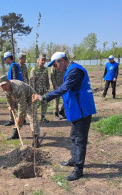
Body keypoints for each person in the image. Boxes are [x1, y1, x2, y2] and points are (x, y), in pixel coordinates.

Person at [32, 52, 96, 181]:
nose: (55, 68)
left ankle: (78, 169)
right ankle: (74, 159)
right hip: (76, 110)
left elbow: (64, 88)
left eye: (55, 64)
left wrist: (43, 97)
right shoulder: (71, 69)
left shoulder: (75, 71)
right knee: (74, 136)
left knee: (79, 140)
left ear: (61, 60)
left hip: (82, 110)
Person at [0, 75, 40, 147]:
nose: (4, 87)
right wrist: (10, 106)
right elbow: (8, 98)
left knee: (32, 117)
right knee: (19, 117)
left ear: (8, 82)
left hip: (31, 97)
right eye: (2, 86)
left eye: (5, 85)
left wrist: (20, 117)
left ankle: (35, 138)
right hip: (21, 99)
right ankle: (16, 133)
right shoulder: (6, 89)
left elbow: (22, 104)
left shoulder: (16, 88)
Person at [3, 51, 23, 126]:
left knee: (14, 104)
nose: (5, 61)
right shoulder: (13, 65)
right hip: (13, 88)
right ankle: (14, 119)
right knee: (14, 105)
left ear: (8, 58)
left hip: (15, 89)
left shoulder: (14, 66)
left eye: (5, 59)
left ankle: (18, 120)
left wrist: (13, 89)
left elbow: (15, 78)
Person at [30, 54, 50, 123]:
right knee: (35, 105)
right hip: (37, 91)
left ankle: (43, 118)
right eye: (42, 60)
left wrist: (47, 88)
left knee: (44, 104)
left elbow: (47, 79)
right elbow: (31, 82)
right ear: (38, 60)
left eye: (44, 60)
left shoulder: (45, 69)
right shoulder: (34, 69)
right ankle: (33, 118)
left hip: (44, 91)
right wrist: (33, 92)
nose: (43, 61)